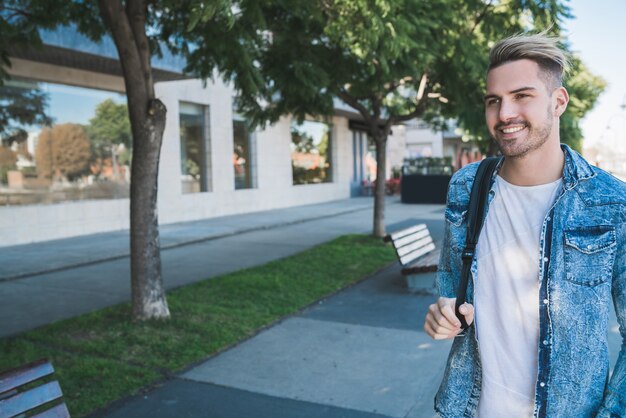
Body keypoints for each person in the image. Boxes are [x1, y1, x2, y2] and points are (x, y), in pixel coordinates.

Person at [423, 31, 625, 417]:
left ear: (558, 102)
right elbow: (451, 290)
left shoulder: (611, 202)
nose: (504, 114)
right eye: (494, 101)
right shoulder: (466, 187)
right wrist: (442, 315)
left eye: (522, 96)